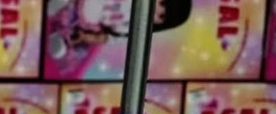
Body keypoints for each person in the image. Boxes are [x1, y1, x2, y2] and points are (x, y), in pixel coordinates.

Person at [48, 0, 191, 59]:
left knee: (64, 49)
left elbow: (108, 37)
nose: (156, 9)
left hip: (81, 24)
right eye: (162, 3)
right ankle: (54, 8)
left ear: (160, 24)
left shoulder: (132, 27)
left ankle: (58, 38)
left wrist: (86, 37)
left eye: (161, 16)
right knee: (60, 4)